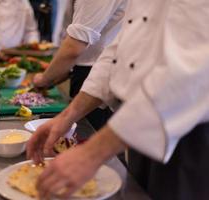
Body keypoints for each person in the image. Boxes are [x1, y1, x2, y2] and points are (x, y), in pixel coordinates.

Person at [27, 0, 209, 199]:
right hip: (138, 122)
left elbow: (197, 69)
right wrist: (66, 117)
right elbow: (125, 45)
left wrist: (92, 152)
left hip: (188, 130)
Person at [33, 0, 127, 130]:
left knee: (90, 137)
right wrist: (66, 69)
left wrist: (44, 79)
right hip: (96, 70)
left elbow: (73, 48)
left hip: (98, 76)